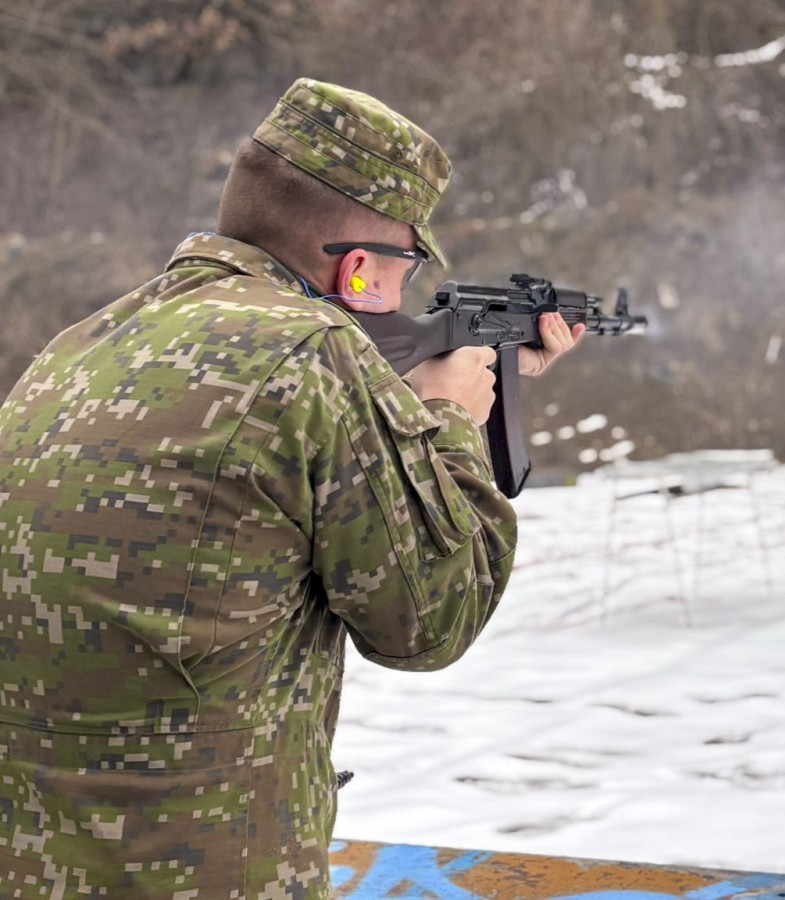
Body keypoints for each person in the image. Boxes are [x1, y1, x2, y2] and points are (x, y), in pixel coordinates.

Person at [0, 78, 583, 899]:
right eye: (404, 268)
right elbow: (434, 619)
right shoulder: (312, 355)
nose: (402, 297)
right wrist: (451, 416)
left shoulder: (78, 347)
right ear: (355, 271)